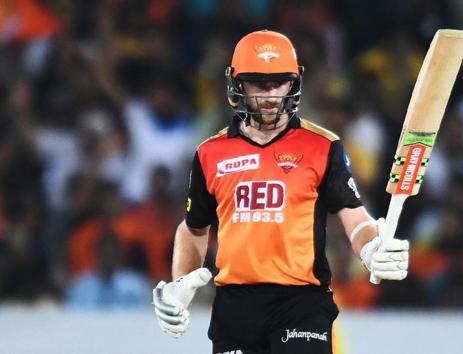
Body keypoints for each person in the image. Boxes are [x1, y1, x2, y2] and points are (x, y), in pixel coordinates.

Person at [151, 30, 409, 354]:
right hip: (235, 307)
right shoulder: (210, 153)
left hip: (301, 301)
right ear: (238, 84)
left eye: (279, 82)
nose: (271, 94)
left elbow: (354, 217)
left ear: (294, 82)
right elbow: (194, 228)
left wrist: (371, 247)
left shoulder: (323, 146)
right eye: (259, 82)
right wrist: (180, 284)